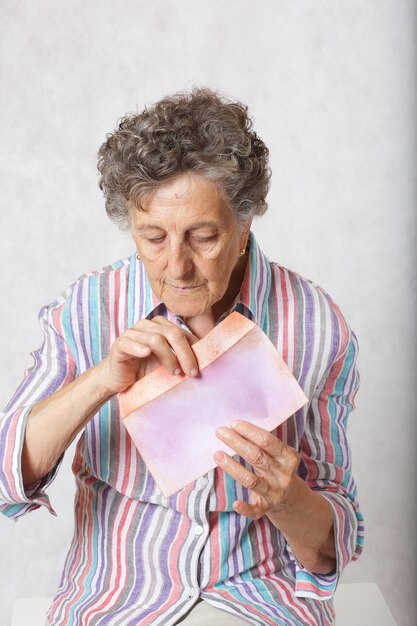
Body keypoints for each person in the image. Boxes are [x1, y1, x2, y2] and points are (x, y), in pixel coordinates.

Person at [0, 87, 364, 626]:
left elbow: (334, 544)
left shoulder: (315, 324)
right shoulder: (87, 307)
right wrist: (102, 379)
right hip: (116, 597)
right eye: (152, 237)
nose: (177, 267)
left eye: (203, 237)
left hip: (261, 598)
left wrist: (290, 501)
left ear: (244, 228)